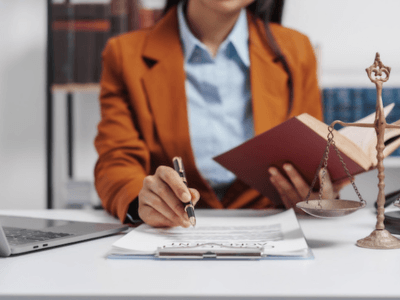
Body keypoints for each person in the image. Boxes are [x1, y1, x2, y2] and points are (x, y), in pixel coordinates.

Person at [94, 0, 342, 228]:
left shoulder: (296, 51)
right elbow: (116, 162)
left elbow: (311, 157)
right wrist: (142, 201)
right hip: (173, 233)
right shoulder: (124, 55)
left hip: (272, 229)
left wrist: (319, 194)